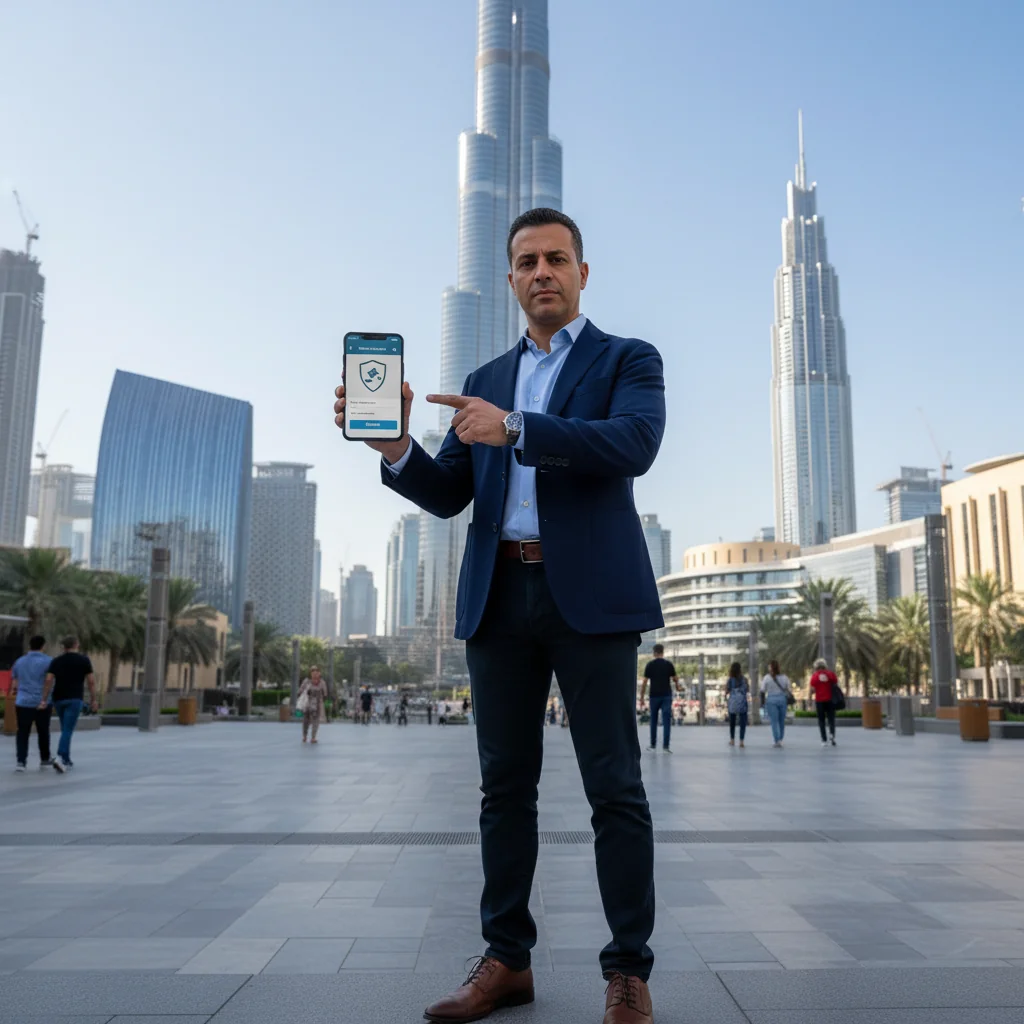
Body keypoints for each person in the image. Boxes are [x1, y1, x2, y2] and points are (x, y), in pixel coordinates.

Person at [334, 207, 664, 1024]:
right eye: (527, 261)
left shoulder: (628, 359)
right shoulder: (482, 380)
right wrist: (395, 448)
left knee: (614, 788)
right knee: (502, 790)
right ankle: (506, 959)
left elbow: (633, 444)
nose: (542, 271)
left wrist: (516, 428)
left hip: (588, 598)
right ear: (511, 278)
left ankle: (627, 972)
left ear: (583, 273)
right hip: (499, 597)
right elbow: (450, 494)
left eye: (557, 258)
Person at [42, 636, 97, 773]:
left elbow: (48, 680)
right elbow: (91, 681)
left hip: (59, 698)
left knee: (65, 728)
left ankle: (66, 758)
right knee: (67, 730)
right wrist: (93, 699)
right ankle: (61, 757)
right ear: (76, 644)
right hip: (74, 698)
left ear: (64, 646)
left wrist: (44, 698)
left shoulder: (56, 661)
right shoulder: (84, 660)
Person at [10, 635, 53, 772]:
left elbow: (15, 682)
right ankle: (45, 759)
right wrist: (44, 699)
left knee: (22, 732)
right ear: (43, 646)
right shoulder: (49, 661)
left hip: (23, 702)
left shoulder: (19, 661)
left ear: (30, 646)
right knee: (43, 731)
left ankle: (21, 762)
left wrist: (16, 691)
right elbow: (49, 681)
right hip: (42, 701)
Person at [640, 644, 680, 753]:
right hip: (666, 695)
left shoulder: (650, 665)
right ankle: (666, 747)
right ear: (662, 652)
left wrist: (642, 697)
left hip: (654, 696)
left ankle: (653, 745)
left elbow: (644, 683)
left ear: (654, 652)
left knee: (653, 720)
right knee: (666, 721)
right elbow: (675, 678)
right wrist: (677, 687)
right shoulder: (668, 664)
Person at [760, 660, 792, 748]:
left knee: (774, 721)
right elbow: (789, 689)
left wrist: (762, 702)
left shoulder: (767, 678)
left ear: (770, 668)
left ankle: (777, 740)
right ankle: (780, 739)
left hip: (771, 700)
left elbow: (762, 690)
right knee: (781, 721)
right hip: (782, 699)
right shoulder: (784, 677)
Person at [809, 657, 839, 747]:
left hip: (820, 701)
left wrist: (810, 700)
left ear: (816, 667)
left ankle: (824, 740)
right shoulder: (831, 674)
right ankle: (832, 735)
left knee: (821, 720)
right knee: (831, 719)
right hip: (830, 700)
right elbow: (835, 684)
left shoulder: (815, 676)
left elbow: (812, 689)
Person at [298, 667, 328, 744]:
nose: (315, 673)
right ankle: (306, 736)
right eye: (313, 672)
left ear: (319, 673)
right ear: (311, 673)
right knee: (307, 720)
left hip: (316, 704)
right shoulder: (308, 681)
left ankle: (312, 737)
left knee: (313, 721)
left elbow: (325, 693)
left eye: (316, 672)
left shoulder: (321, 682)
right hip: (309, 704)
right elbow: (325, 694)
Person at [724, 662, 750, 749]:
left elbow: (727, 690)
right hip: (742, 702)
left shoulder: (730, 680)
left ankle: (732, 740)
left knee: (732, 722)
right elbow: (747, 689)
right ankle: (741, 741)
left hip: (733, 703)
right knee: (742, 722)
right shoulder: (744, 679)